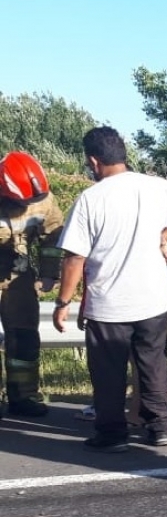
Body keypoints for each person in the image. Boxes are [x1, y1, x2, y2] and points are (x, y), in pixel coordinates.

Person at [53, 126, 167, 452]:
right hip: (153, 297)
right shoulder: (155, 186)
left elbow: (74, 257)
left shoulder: (91, 199)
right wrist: (165, 236)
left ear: (94, 161)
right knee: (153, 364)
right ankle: (160, 427)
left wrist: (62, 302)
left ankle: (112, 434)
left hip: (109, 303)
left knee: (109, 372)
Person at [0, 151, 64, 418]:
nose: (28, 205)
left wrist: (49, 274)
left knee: (24, 339)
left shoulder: (43, 200)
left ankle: (23, 396)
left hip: (19, 277)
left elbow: (54, 237)